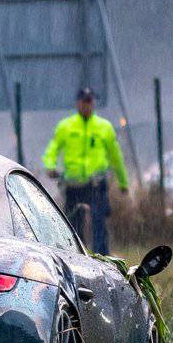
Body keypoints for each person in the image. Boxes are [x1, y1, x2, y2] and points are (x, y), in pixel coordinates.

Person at [41, 87, 129, 255]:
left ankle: (102, 257)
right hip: (74, 185)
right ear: (78, 103)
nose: (88, 105)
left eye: (90, 101)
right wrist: (50, 165)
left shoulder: (104, 127)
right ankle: (77, 257)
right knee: (74, 225)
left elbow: (116, 157)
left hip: (96, 184)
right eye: (84, 101)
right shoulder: (66, 126)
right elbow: (52, 149)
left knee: (99, 222)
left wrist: (123, 182)